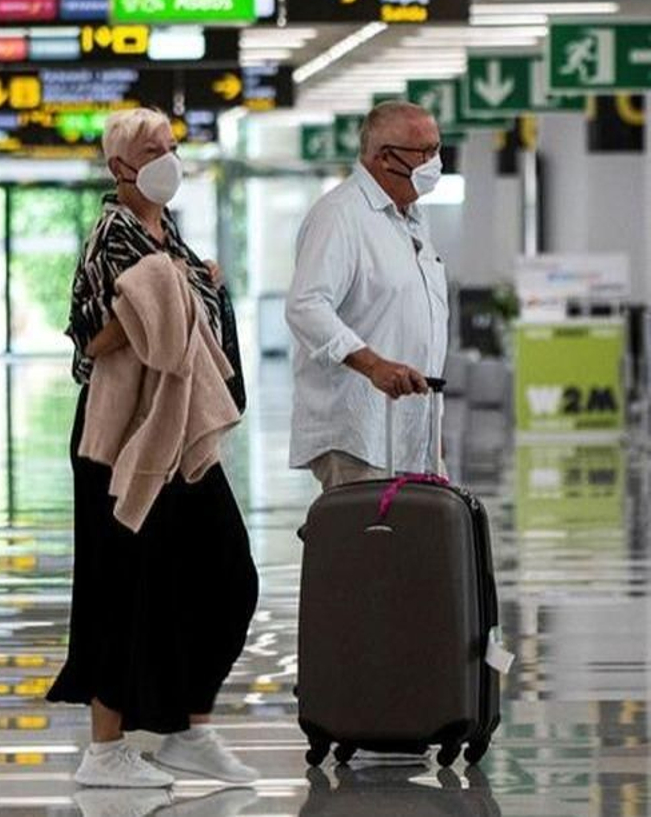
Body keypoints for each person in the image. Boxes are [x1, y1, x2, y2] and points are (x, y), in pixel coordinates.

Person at [48, 108, 261, 789]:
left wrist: (191, 284)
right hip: (121, 433)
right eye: (151, 151)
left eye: (171, 145)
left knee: (226, 575)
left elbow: (193, 317)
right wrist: (153, 297)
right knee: (121, 585)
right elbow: (91, 337)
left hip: (180, 428)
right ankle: (105, 749)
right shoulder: (109, 236)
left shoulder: (169, 233)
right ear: (119, 168)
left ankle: (187, 728)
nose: (168, 158)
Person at [286, 101, 449, 490]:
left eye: (437, 149)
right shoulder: (340, 215)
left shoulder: (412, 219)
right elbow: (306, 306)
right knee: (366, 530)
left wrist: (433, 431)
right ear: (384, 157)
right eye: (423, 152)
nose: (434, 163)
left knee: (427, 529)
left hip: (413, 435)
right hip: (357, 435)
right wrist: (374, 365)